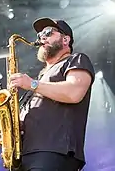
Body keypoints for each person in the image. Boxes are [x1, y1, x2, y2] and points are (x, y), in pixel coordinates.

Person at [10, 18, 95, 171]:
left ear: (65, 39)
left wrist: (32, 84)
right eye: (40, 34)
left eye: (48, 32)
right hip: (26, 154)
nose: (42, 37)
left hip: (54, 151)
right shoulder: (41, 77)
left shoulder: (76, 59)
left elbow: (74, 93)